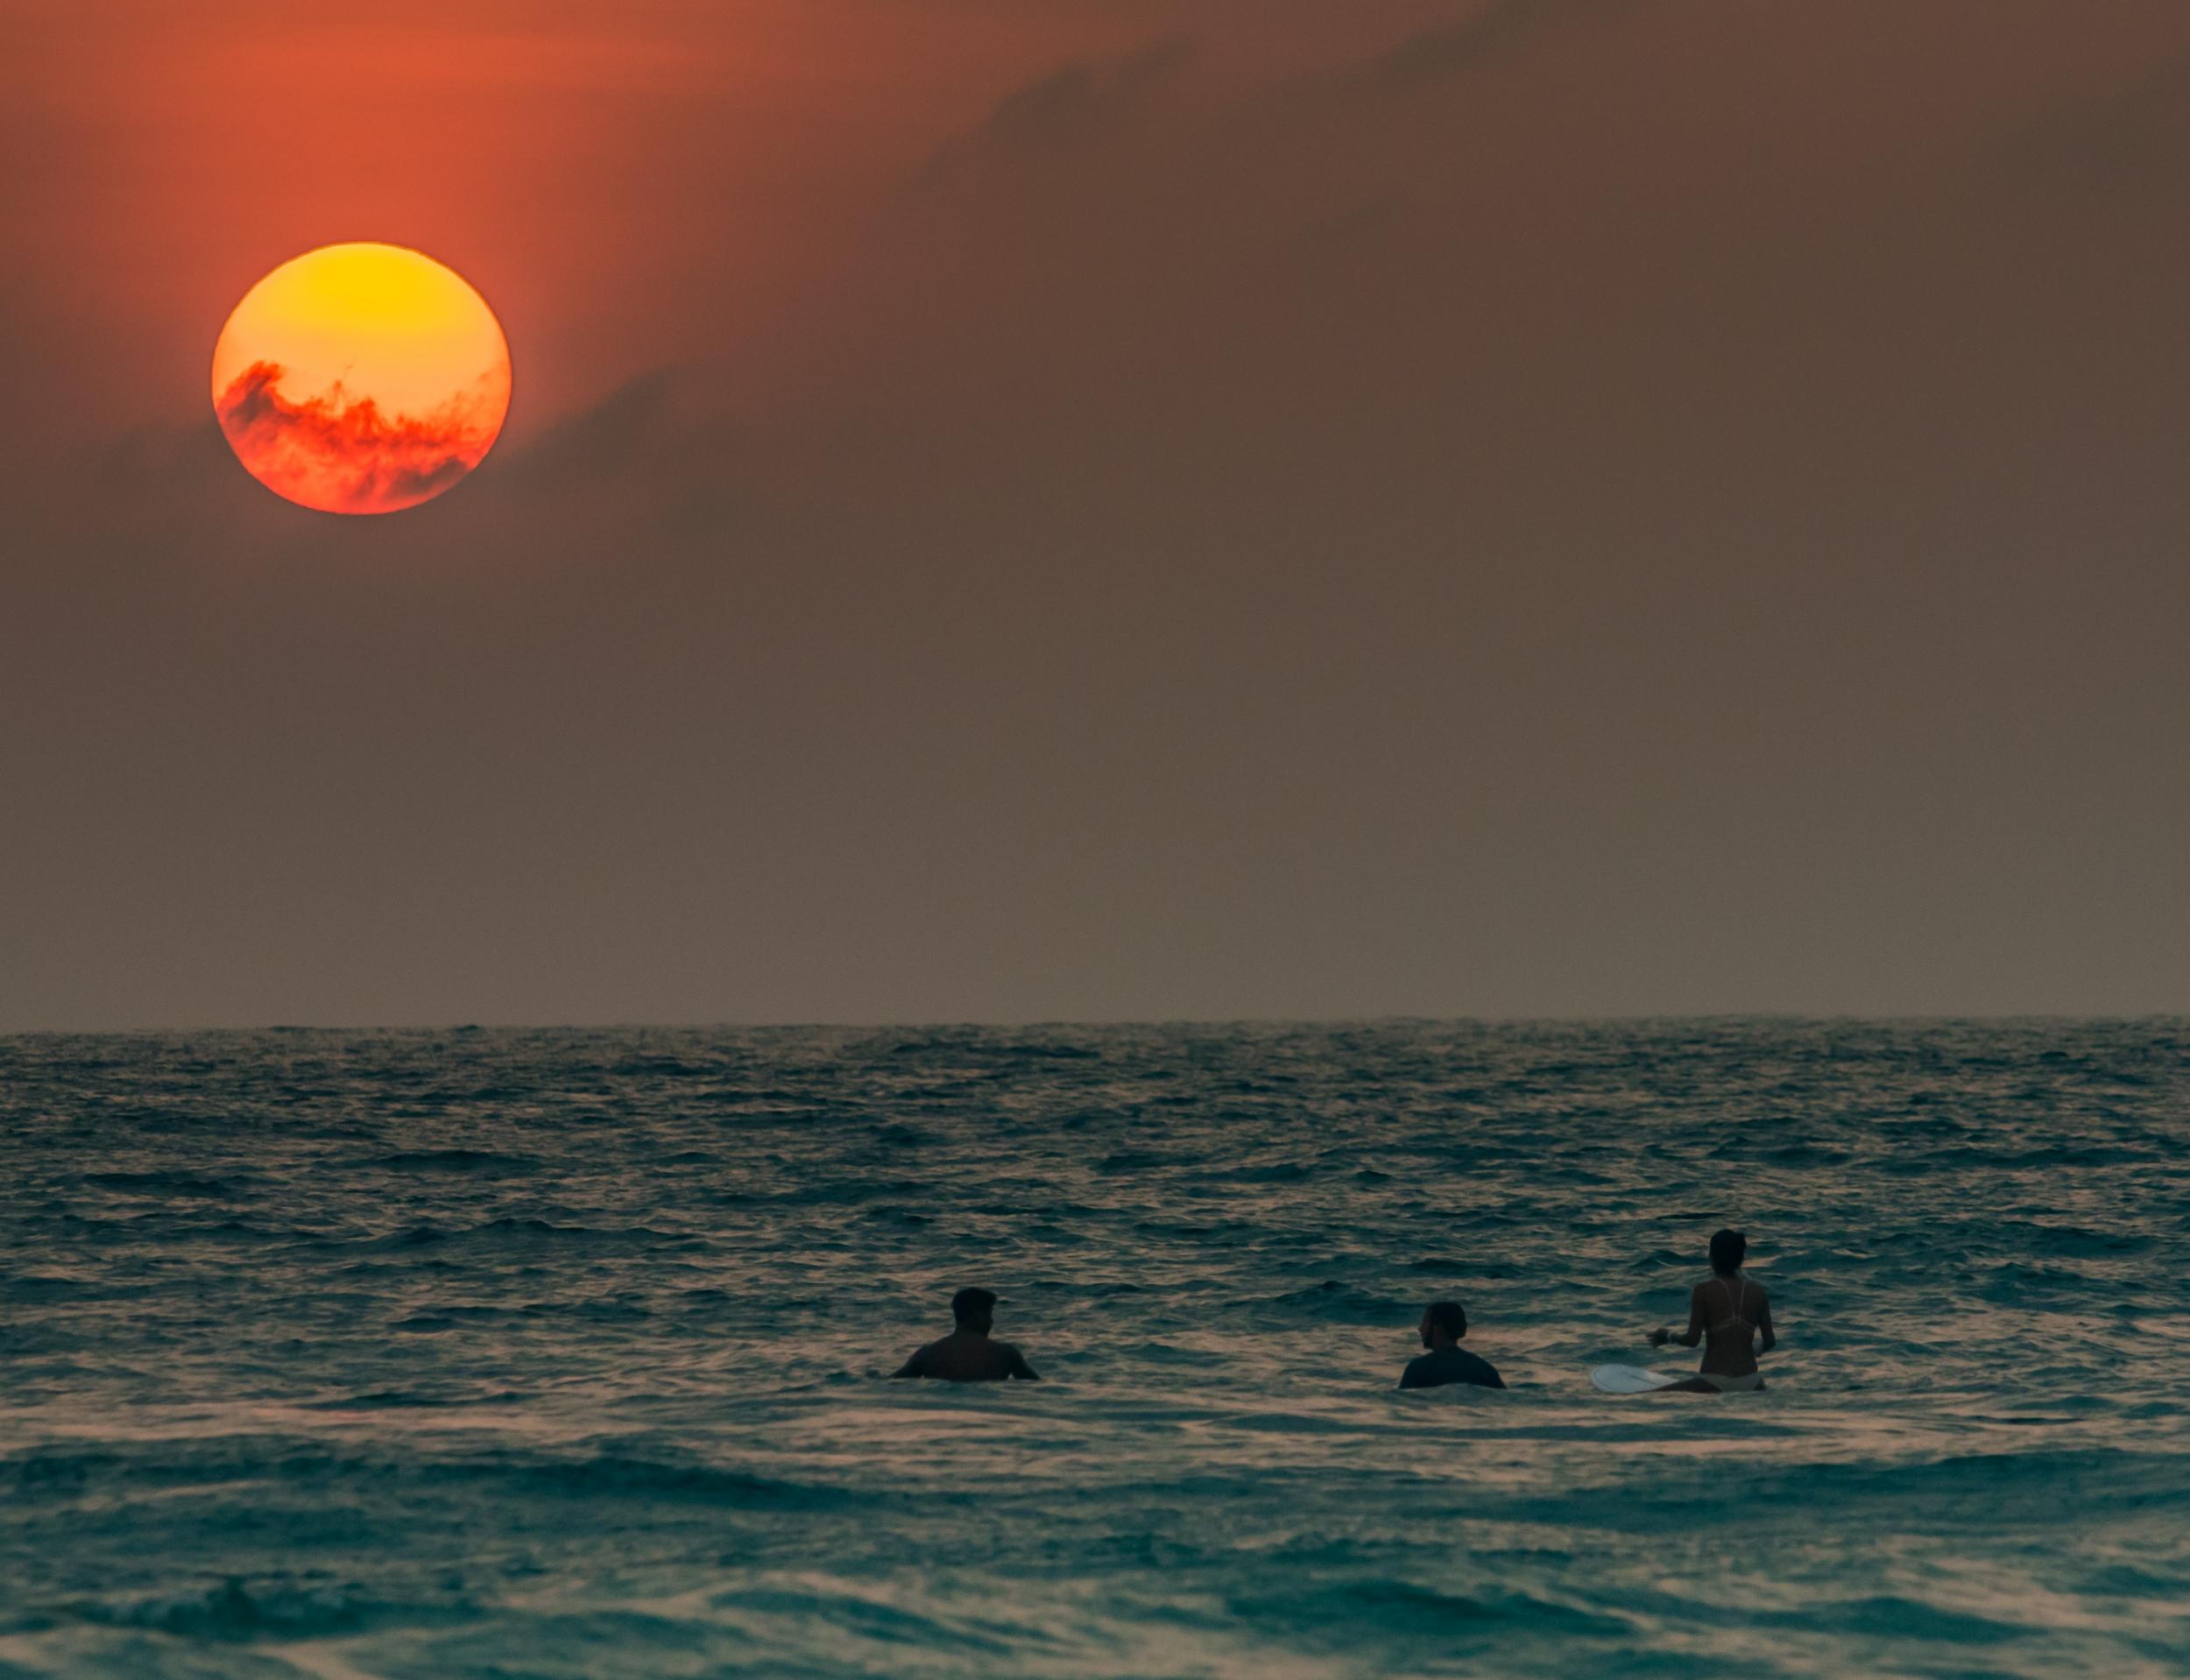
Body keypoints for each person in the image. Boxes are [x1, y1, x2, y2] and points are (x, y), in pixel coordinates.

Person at [1647, 1227, 1776, 1393]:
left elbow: (1692, 1340)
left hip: (1715, 1381)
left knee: (1651, 1395)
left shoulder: (1703, 1290)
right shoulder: (1758, 1292)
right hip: (1753, 1381)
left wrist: (1668, 1337)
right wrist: (1758, 1350)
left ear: (1712, 1257)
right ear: (1741, 1258)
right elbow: (1770, 1341)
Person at [891, 1287, 1041, 1381]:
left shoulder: (927, 1354)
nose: (991, 1321)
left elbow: (893, 1384)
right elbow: (1037, 1387)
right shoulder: (1005, 1353)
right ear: (978, 1316)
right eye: (989, 1314)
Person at [1397, 1300, 1505, 1390]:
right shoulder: (1484, 1369)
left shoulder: (1418, 1368)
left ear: (1438, 1327)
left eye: (1425, 1322)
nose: (1420, 1329)